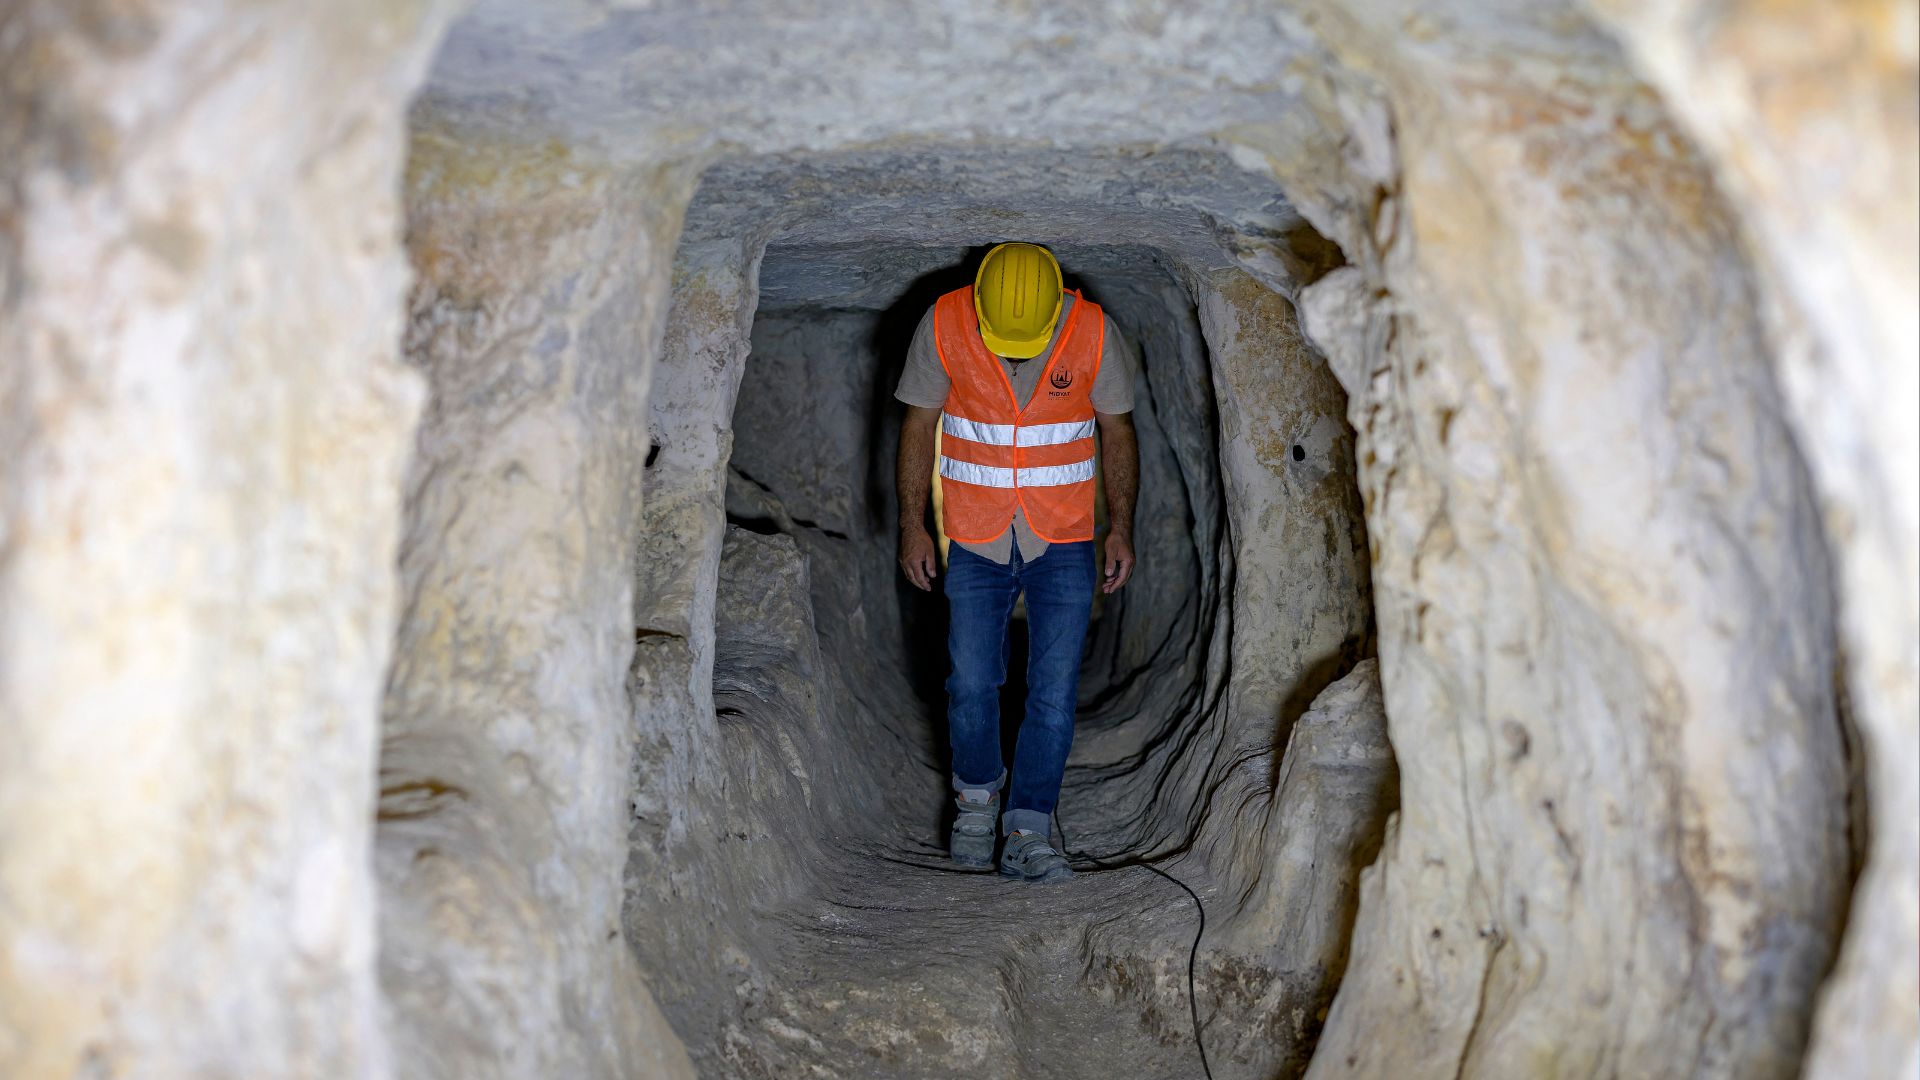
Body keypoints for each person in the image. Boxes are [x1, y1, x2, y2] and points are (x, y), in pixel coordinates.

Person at [893, 243, 1138, 884]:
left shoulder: (1093, 331)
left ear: (1058, 308)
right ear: (978, 304)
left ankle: (1028, 826)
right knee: (971, 682)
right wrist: (912, 525)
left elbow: (1118, 429)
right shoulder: (943, 324)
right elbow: (918, 426)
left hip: (1064, 536)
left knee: (1052, 694)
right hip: (975, 534)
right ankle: (976, 805)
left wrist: (1123, 528)